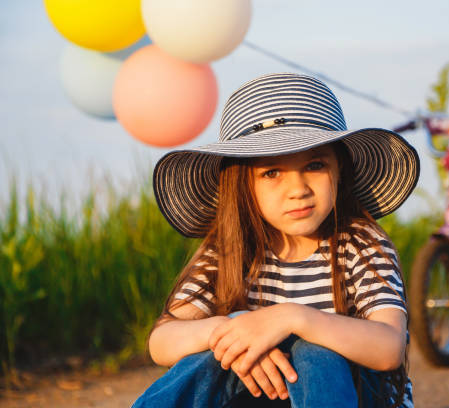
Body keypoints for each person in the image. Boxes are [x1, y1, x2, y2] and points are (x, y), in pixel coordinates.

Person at [133, 73, 420, 408]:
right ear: (244, 184)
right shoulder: (228, 251)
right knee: (208, 355)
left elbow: (388, 348)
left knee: (315, 351)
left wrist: (293, 318)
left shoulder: (360, 244)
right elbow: (162, 342)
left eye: (314, 165)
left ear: (339, 172)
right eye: (272, 173)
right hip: (264, 396)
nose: (298, 189)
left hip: (353, 397)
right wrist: (237, 330)